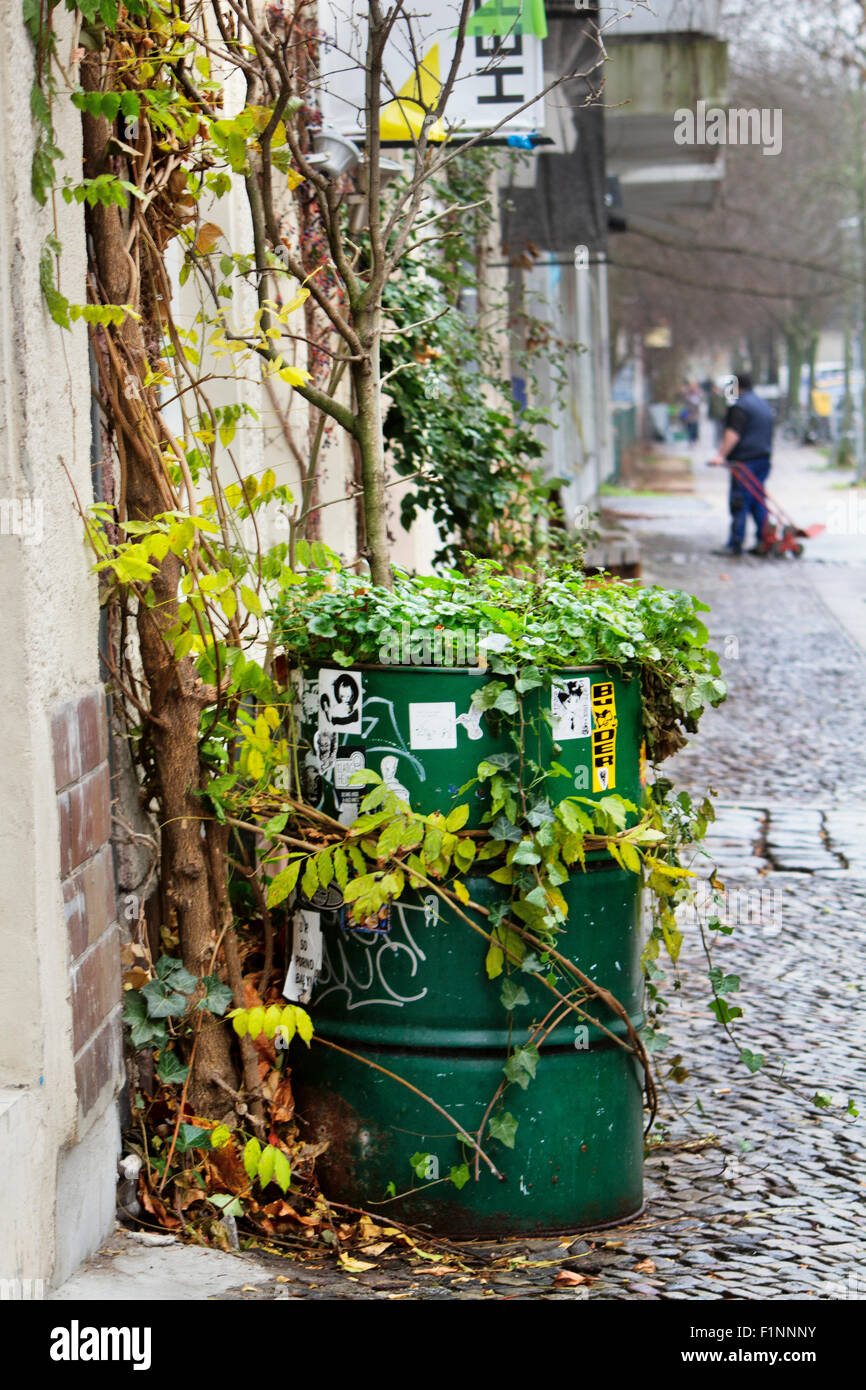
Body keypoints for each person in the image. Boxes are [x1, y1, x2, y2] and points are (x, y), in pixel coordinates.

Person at [709, 372, 774, 556]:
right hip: (763, 458)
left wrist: (720, 455)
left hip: (745, 462)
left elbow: (733, 434)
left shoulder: (740, 406)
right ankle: (764, 540)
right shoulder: (762, 404)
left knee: (740, 501)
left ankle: (735, 544)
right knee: (758, 501)